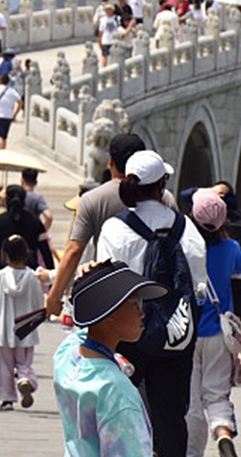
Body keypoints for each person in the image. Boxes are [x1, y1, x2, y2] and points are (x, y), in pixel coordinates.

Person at [96, 150, 207, 457]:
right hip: (176, 335)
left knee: (117, 411)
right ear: (162, 186)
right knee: (171, 416)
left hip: (128, 334)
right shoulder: (186, 227)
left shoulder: (115, 228)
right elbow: (201, 285)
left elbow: (107, 283)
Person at [54, 260, 166, 457]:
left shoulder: (68, 360)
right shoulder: (117, 390)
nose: (143, 313)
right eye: (134, 305)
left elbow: (80, 333)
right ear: (109, 314)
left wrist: (86, 283)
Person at [45, 134, 173, 320]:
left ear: (110, 161)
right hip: (158, 291)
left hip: (112, 293)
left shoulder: (92, 199)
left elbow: (74, 250)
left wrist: (54, 296)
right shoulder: (166, 199)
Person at [184, 190, 241, 457]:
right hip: (220, 334)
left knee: (192, 402)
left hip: (188, 332)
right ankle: (223, 432)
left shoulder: (184, 247)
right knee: (217, 395)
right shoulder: (232, 247)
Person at [0, 235, 48, 411]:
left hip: (5, 329)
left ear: (6, 255)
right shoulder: (33, 276)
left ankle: (7, 399)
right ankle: (25, 380)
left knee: (4, 364)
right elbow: (39, 304)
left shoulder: (2, 276)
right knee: (24, 362)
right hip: (26, 328)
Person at [0, 185, 54, 272]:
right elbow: (45, 251)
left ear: (6, 201)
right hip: (30, 272)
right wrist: (51, 274)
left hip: (3, 273)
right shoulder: (34, 221)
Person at [0, 71, 23, 149]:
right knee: (4, 137)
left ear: (0, 80)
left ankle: (0, 152)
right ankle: (3, 150)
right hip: (8, 117)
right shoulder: (12, 91)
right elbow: (20, 103)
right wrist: (15, 114)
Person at [21, 167, 54, 232]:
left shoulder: (15, 195)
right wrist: (43, 231)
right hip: (31, 232)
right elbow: (49, 216)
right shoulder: (37, 199)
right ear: (36, 182)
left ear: (22, 181)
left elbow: (0, 204)